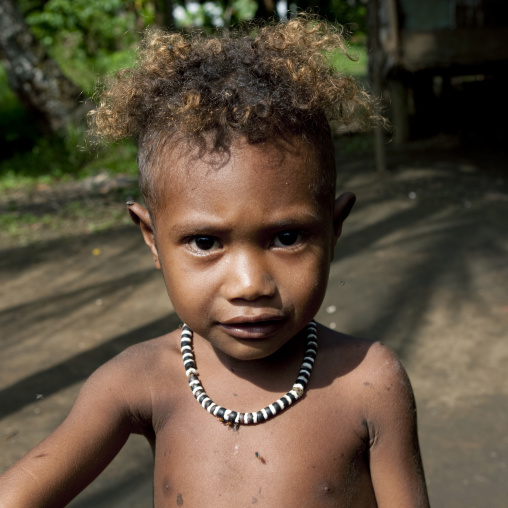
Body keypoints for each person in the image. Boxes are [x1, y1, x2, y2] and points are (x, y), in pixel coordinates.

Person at [0, 16, 429, 507]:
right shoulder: (138, 380)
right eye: (205, 242)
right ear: (152, 238)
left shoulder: (368, 382)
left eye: (287, 237)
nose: (250, 284)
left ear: (334, 230)